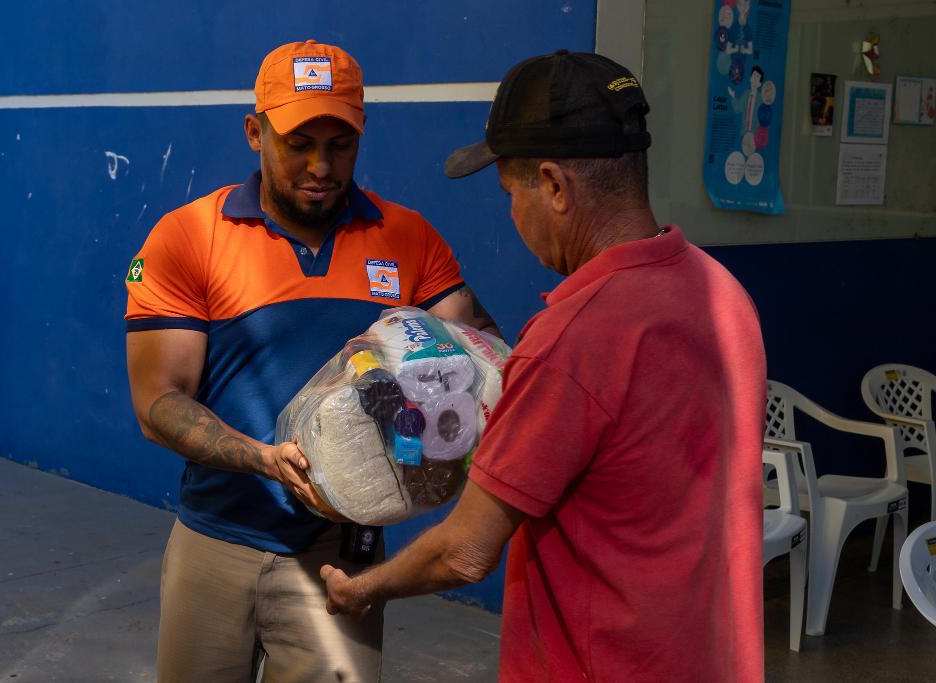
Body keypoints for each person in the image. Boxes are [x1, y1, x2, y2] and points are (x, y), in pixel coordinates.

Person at [322, 50, 767, 682]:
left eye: (509, 192)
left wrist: (363, 589)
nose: (511, 214)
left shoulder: (575, 336)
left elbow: (467, 552)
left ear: (555, 187)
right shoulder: (723, 294)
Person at [124, 39, 499, 683]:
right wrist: (261, 457)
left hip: (342, 558)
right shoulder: (190, 236)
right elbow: (158, 404)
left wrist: (438, 420)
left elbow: (482, 355)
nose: (321, 165)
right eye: (298, 143)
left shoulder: (406, 237)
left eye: (340, 143)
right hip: (217, 542)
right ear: (254, 132)